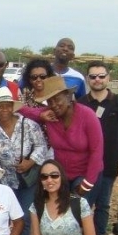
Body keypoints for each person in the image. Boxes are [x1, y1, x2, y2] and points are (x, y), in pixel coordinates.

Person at [0, 87, 47, 235]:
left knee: (25, 220)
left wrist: (30, 162)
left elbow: (41, 146)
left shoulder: (28, 124)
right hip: (5, 183)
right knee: (6, 220)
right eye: (0, 107)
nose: (4, 110)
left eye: (7, 106)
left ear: (12, 107)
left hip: (27, 181)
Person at [20, 76, 103, 204]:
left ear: (69, 97)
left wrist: (87, 184)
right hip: (61, 174)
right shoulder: (50, 115)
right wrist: (40, 114)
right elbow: (24, 110)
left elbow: (97, 151)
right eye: (50, 101)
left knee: (78, 214)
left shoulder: (87, 115)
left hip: (85, 174)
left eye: (57, 99)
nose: (54, 105)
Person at [79, 62, 118, 235]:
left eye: (101, 76)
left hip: (109, 163)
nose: (97, 80)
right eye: (93, 76)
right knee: (84, 204)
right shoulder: (81, 104)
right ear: (88, 79)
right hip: (86, 166)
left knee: (103, 205)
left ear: (108, 78)